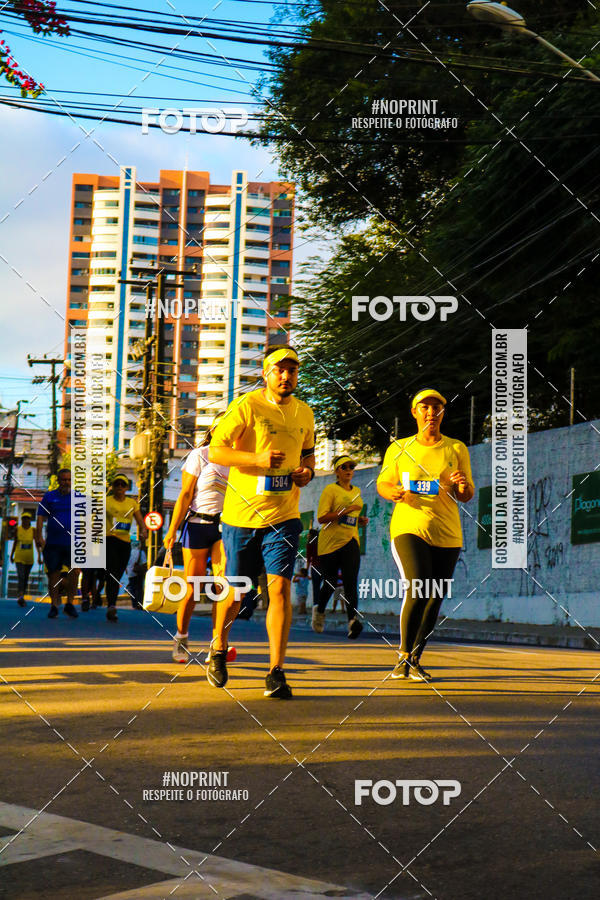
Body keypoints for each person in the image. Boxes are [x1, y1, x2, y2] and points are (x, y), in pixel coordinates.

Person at [208, 346, 315, 698]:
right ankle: (219, 647)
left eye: (292, 370)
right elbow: (216, 450)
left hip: (284, 516)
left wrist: (306, 473)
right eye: (279, 370)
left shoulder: (305, 413)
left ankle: (276, 671)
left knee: (279, 590)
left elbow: (310, 455)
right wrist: (256, 457)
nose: (286, 376)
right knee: (237, 591)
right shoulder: (248, 406)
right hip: (241, 516)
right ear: (266, 373)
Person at [377, 389, 474, 681]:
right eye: (425, 407)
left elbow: (467, 494)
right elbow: (383, 482)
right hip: (409, 525)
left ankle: (416, 658)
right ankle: (403, 655)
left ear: (443, 413)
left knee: (434, 597)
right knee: (418, 585)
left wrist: (461, 485)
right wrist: (391, 492)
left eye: (437, 408)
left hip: (447, 533)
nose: (431, 412)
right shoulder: (400, 448)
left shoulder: (456, 448)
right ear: (415, 412)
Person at [163, 414, 231, 664]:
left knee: (223, 585)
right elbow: (185, 494)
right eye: (222, 427)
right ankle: (181, 637)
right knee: (193, 587)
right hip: (196, 525)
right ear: (214, 431)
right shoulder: (200, 455)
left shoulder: (238, 461)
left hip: (224, 527)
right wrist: (172, 530)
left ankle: (218, 644)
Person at [312, 455, 368, 639]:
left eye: (351, 466)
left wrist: (360, 520)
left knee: (351, 582)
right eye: (344, 467)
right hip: (330, 543)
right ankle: (319, 610)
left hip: (350, 540)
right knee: (330, 582)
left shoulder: (357, 491)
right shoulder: (330, 490)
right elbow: (321, 518)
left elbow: (351, 518)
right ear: (337, 471)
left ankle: (352, 621)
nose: (349, 470)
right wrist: (346, 511)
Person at [35, 468, 79, 618]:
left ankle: (70, 603)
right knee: (53, 574)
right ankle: (54, 605)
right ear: (58, 481)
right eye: (63, 479)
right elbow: (40, 516)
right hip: (53, 543)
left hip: (73, 543)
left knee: (74, 573)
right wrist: (39, 536)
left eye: (68, 480)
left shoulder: (78, 498)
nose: (66, 482)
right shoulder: (49, 497)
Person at [104, 473, 148, 622]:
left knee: (118, 572)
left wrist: (143, 530)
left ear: (127, 488)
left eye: (123, 485)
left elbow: (139, 520)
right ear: (113, 487)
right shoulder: (106, 501)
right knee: (112, 572)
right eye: (117, 484)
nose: (120, 488)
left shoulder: (132, 503)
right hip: (109, 540)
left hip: (124, 542)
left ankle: (111, 602)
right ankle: (111, 605)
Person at [10, 511, 38, 608]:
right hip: (19, 557)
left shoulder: (33, 530)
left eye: (27, 519)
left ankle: (23, 595)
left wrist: (39, 556)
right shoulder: (18, 529)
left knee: (25, 577)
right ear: (22, 520)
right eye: (24, 519)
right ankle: (20, 596)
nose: (25, 520)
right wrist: (11, 555)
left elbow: (36, 544)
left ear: (30, 521)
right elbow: (14, 542)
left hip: (29, 558)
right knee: (21, 576)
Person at [124, 539, 147, 609]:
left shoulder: (128, 552)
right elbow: (144, 563)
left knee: (132, 587)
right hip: (139, 573)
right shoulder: (141, 552)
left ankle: (134, 603)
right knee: (139, 588)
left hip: (130, 573)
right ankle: (140, 604)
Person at [306, 527, 321, 609]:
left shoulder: (310, 544)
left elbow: (309, 558)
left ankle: (316, 606)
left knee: (316, 587)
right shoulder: (321, 542)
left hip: (315, 567)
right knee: (325, 587)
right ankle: (322, 605)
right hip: (324, 566)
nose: (307, 535)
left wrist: (306, 570)